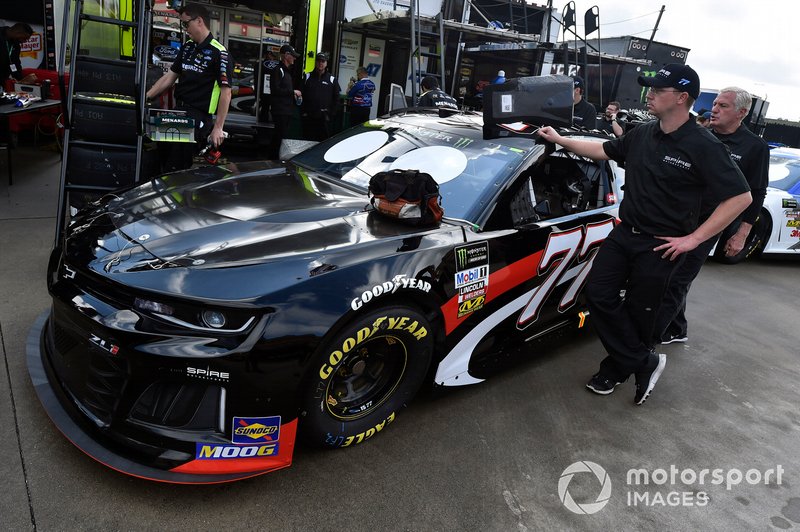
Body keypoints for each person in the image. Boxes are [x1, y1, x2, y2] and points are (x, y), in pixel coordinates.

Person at [536, 64, 751, 405]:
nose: (649, 94)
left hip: (663, 245)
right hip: (625, 234)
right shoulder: (643, 132)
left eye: (658, 90)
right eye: (649, 88)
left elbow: (742, 197)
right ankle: (642, 361)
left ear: (682, 98)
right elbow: (604, 150)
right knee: (598, 295)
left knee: (640, 313)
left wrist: (694, 239)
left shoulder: (703, 144)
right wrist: (561, 140)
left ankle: (616, 369)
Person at [654, 86, 769, 345]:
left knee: (678, 278)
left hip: (709, 223)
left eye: (723, 106)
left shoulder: (755, 147)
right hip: (677, 217)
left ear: (741, 113)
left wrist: (741, 234)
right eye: (715, 104)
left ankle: (655, 334)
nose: (715, 109)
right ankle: (678, 327)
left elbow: (757, 193)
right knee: (664, 273)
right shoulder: (700, 135)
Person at [146, 3, 232, 171]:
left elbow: (226, 93)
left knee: (176, 168)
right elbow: (170, 77)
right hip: (179, 111)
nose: (184, 28)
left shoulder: (220, 53)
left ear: (199, 21)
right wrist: (145, 96)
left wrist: (218, 128)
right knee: (158, 158)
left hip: (198, 117)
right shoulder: (187, 48)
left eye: (186, 24)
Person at [266, 44, 302, 159]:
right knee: (279, 136)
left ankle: (274, 159)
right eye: (293, 56)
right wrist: (292, 92)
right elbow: (275, 89)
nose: (295, 58)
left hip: (286, 110)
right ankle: (273, 159)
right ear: (286, 55)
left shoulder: (286, 71)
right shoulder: (278, 70)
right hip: (280, 110)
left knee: (281, 136)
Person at [301, 52, 341, 141]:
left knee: (322, 144)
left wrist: (331, 114)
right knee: (307, 142)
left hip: (324, 119)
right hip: (309, 118)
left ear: (326, 63)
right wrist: (304, 112)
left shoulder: (332, 79)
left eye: (323, 61)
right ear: (315, 62)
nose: (320, 63)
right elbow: (301, 95)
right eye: (318, 61)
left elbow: (337, 99)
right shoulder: (307, 76)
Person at [257, 50, 280, 123]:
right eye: (272, 56)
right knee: (265, 107)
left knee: (267, 107)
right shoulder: (261, 65)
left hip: (269, 90)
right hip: (265, 90)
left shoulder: (263, 65)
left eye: (274, 57)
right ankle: (264, 119)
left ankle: (265, 119)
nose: (273, 59)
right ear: (268, 54)